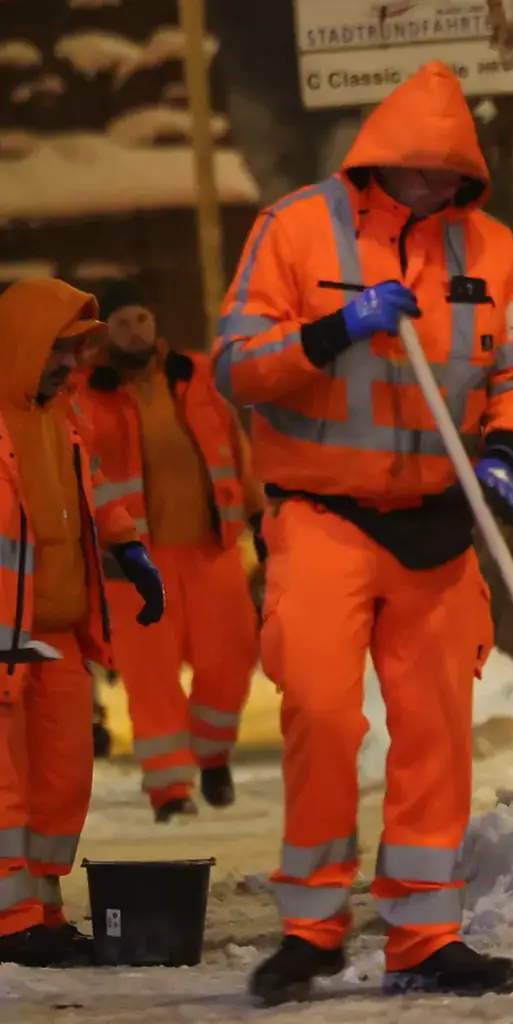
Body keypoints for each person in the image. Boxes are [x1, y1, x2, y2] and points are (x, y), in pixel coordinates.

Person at [212, 61, 513, 1003]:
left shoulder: (488, 251)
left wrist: (503, 457)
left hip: (437, 522)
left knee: (436, 730)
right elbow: (235, 367)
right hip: (322, 513)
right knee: (321, 711)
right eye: (424, 172)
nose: (440, 189)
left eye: (455, 176)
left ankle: (423, 934)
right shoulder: (296, 229)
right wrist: (334, 330)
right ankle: (312, 927)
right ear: (381, 163)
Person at [0, 278, 164, 967]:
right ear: (23, 346)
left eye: (77, 350)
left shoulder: (61, 415)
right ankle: (10, 920)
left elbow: (87, 487)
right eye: (60, 350)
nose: (72, 364)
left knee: (62, 779)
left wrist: (125, 541)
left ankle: (43, 911)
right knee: (5, 783)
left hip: (59, 631)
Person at [74, 278, 266, 823]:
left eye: (140, 318)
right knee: (151, 680)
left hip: (212, 552)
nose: (133, 330)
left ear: (155, 323)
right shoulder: (84, 395)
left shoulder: (197, 376)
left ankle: (210, 755)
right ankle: (170, 790)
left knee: (231, 659)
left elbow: (236, 448)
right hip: (134, 567)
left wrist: (260, 515)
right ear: (104, 332)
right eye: (119, 322)